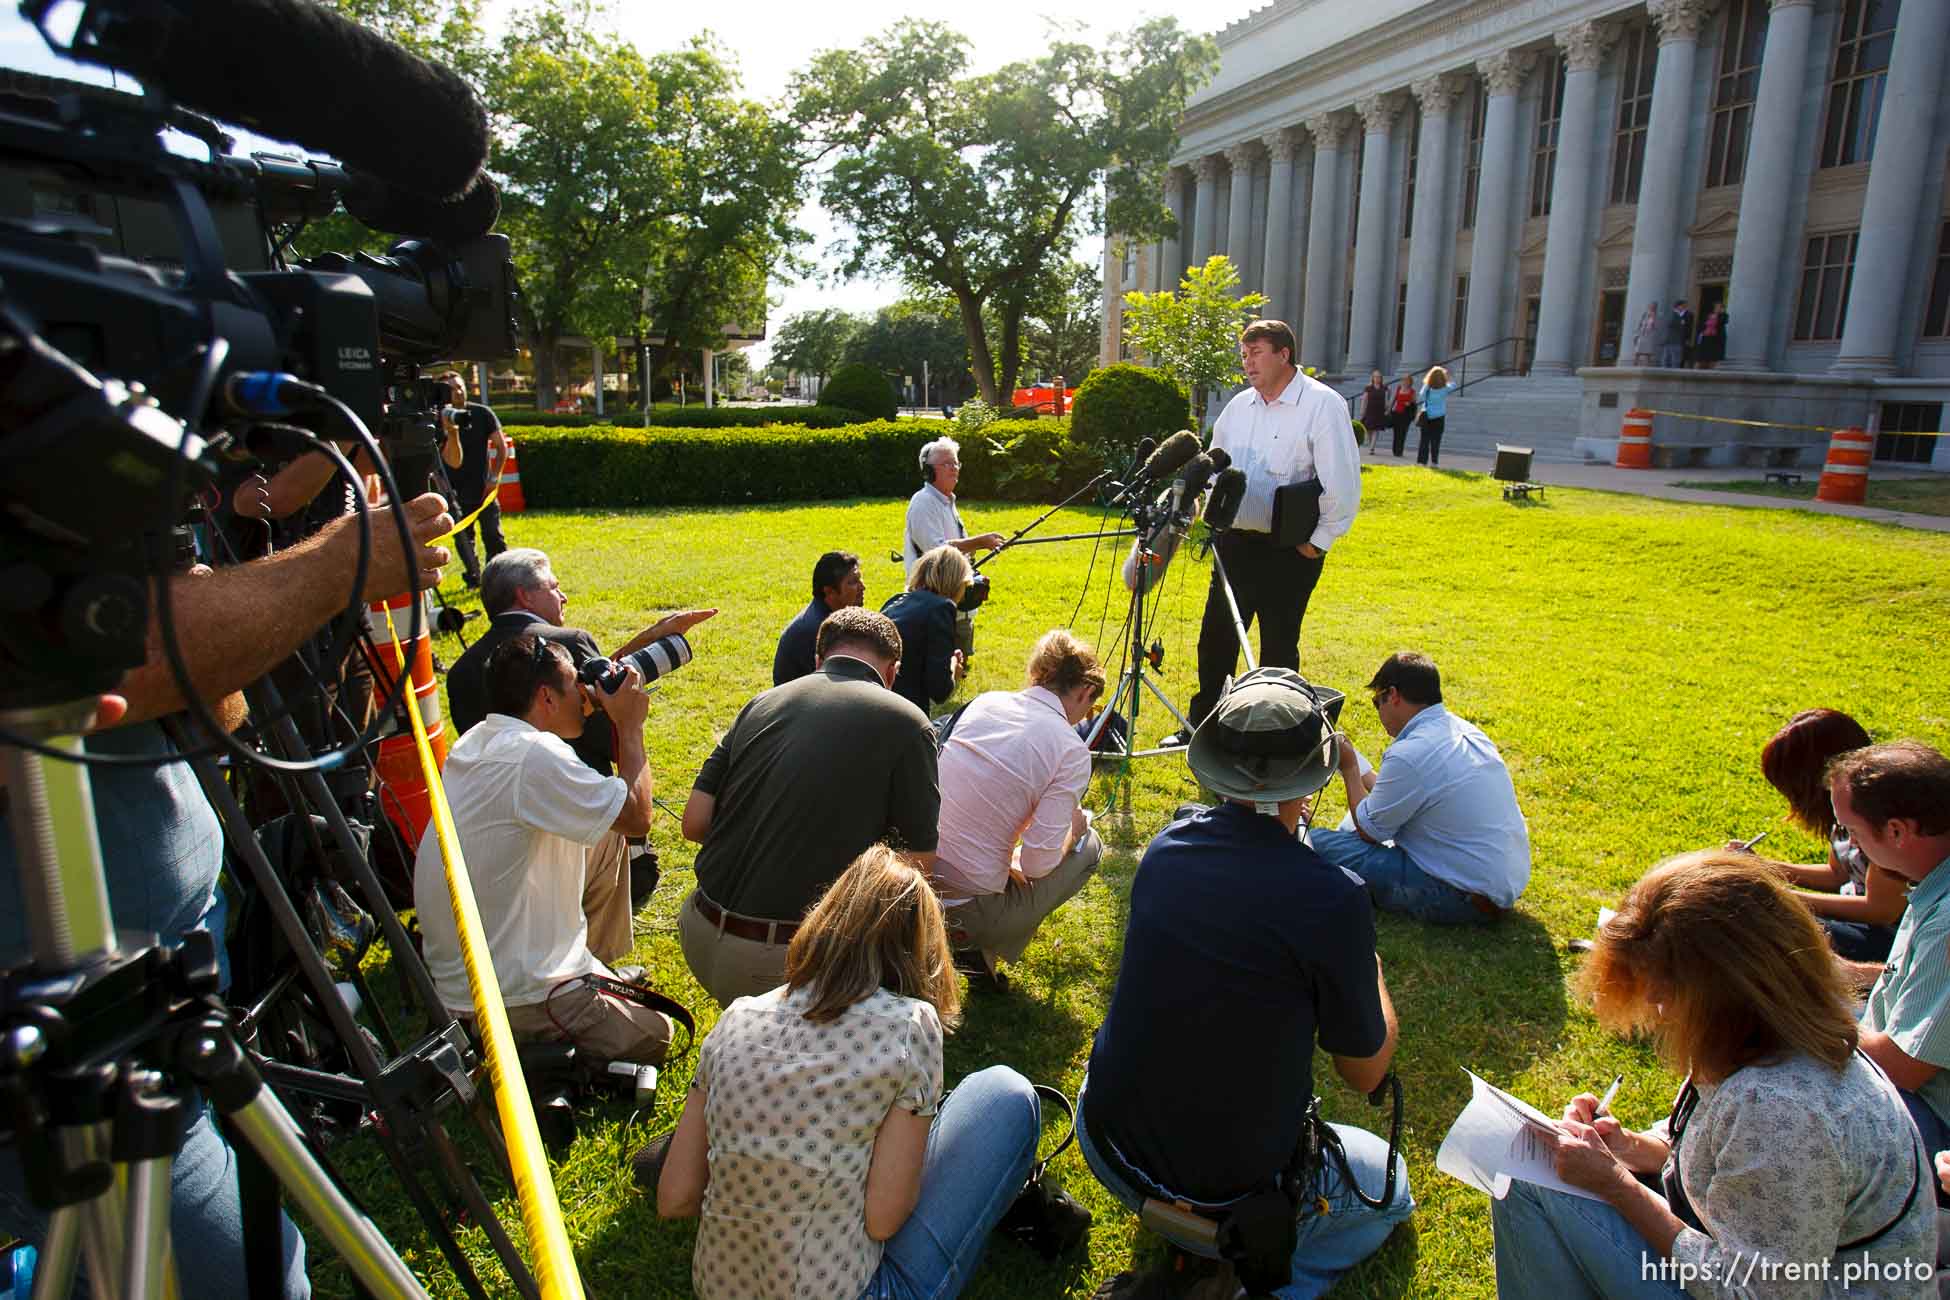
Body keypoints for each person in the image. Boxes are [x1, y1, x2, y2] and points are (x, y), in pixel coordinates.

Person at [0, 489, 456, 1300]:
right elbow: (115, 661)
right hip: (68, 1022)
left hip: (166, 959)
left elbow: (211, 696)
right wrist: (331, 566)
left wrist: (199, 619)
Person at [1081, 667, 1413, 1300]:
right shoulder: (1332, 901)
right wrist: (1367, 967)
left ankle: (1195, 1251)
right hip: (1233, 1186)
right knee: (1392, 1190)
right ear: (1313, 777)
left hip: (1111, 1146)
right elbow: (1365, 1072)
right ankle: (1239, 1283)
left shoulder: (1165, 849)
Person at [1490, 853, 1935, 1300]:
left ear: (1725, 992)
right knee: (1542, 1171)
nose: (1660, 1010)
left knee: (1529, 1179)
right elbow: (1707, 1141)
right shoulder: (1765, 1037)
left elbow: (1756, 1293)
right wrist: (1629, 1147)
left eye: (1666, 994)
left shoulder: (1781, 1109)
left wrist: (1616, 1183)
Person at [654, 845, 1039, 1300]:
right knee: (1005, 1094)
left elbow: (674, 1196)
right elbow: (883, 1218)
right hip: (854, 1290)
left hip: (720, 1290)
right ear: (921, 951)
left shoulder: (736, 1017)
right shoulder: (910, 1026)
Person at [412, 634, 672, 1067]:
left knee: (604, 835)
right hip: (510, 996)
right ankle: (548, 1029)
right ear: (546, 698)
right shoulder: (533, 755)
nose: (584, 698)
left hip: (464, 981)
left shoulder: (482, 739)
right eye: (575, 687)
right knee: (655, 1033)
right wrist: (629, 725)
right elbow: (636, 816)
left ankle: (592, 969)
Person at [678, 607, 941, 1008]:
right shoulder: (908, 722)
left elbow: (694, 823)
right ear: (892, 671)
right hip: (788, 960)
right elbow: (917, 865)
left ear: (819, 660)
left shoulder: (760, 703)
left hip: (697, 930)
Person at [447, 548, 716, 932]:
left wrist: (649, 638)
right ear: (525, 595)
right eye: (554, 587)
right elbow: (608, 735)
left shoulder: (460, 674)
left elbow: (592, 687)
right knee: (630, 858)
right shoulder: (568, 644)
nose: (563, 596)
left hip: (500, 856)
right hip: (585, 826)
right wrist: (628, 724)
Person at [1170, 320, 1362, 746]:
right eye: (1243, 353)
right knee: (1216, 638)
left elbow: (1343, 483)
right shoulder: (1239, 407)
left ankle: (1275, 733)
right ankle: (1202, 728)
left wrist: (1319, 542)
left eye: (1256, 352)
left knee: (1277, 645)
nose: (1247, 361)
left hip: (1290, 549)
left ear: (1283, 354)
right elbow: (1214, 464)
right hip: (1234, 543)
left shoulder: (1321, 405)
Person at [934, 630, 1105, 977]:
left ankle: (978, 947)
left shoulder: (985, 701)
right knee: (1089, 845)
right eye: (1092, 706)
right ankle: (980, 946)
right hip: (961, 909)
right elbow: (1037, 865)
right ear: (1085, 692)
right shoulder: (1070, 750)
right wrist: (1073, 832)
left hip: (912, 882)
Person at [1312, 652, 1530, 924]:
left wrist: (1349, 769)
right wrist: (1359, 763)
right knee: (1350, 823)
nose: (1378, 711)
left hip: (1458, 896)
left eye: (1376, 701)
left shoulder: (1410, 753)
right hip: (1494, 883)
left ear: (1393, 695)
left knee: (1314, 843)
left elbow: (1368, 831)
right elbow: (1395, 797)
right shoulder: (1466, 731)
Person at [1834, 742, 1950, 1157]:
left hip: (1933, 1121)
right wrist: (1842, 973)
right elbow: (1920, 984)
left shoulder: (1947, 921)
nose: (1852, 847)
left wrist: (1796, 1018)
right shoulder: (1935, 883)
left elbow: (1903, 1067)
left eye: (1853, 833)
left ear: (1898, 831)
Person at [1731, 708, 1904, 961]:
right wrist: (1762, 866)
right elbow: (1837, 874)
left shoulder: (1877, 817)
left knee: (1767, 928)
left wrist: (1786, 898)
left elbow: (1881, 910)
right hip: (1859, 923)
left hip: (1891, 940)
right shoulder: (1841, 811)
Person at [440, 369, 510, 587]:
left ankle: (499, 578)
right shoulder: (438, 419)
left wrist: (494, 479)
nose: (458, 392)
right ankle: (474, 578)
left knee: (494, 536)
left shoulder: (482, 413)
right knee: (463, 540)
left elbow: (501, 448)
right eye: (452, 389)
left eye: (460, 386)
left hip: (483, 489)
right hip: (454, 491)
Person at [880, 545, 969, 714]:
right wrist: (954, 665)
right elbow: (940, 690)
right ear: (957, 583)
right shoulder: (941, 608)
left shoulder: (894, 601)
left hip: (878, 699)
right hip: (904, 712)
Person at [903, 435, 1006, 575]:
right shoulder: (923, 502)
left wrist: (980, 545)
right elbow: (936, 551)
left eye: (955, 463)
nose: (953, 468)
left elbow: (955, 546)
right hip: (928, 592)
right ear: (929, 472)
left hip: (951, 589)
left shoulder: (947, 501)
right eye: (946, 464)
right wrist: (979, 542)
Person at [772, 549, 865, 686]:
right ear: (829, 592)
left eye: (860, 579)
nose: (863, 587)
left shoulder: (830, 619)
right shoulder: (816, 631)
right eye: (853, 582)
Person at [1415, 365, 1451, 467]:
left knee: (1424, 440)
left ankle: (1422, 462)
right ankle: (1434, 462)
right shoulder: (1445, 388)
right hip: (1439, 417)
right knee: (1436, 440)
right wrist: (1447, 377)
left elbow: (1420, 396)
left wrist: (1427, 386)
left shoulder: (1428, 387)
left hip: (1427, 415)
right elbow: (1454, 385)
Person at [1387, 371, 1417, 457]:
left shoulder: (1412, 391)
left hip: (1406, 415)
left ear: (1410, 382)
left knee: (1402, 433)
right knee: (1396, 433)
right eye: (1404, 380)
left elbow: (1414, 403)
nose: (1405, 382)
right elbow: (1393, 400)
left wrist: (1409, 403)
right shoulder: (1399, 388)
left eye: (1407, 380)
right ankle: (1395, 450)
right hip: (1397, 413)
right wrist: (1389, 410)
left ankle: (1399, 451)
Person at [1357, 369, 1387, 453]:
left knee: (1376, 429)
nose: (1377, 379)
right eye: (1376, 377)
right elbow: (1364, 399)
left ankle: (1372, 447)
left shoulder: (1384, 387)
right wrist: (1362, 410)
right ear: (1373, 378)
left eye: (1379, 377)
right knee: (1369, 429)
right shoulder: (1368, 388)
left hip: (1379, 411)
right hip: (1369, 410)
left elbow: (1388, 398)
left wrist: (1387, 408)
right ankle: (1371, 444)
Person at [1695, 303, 1728, 370]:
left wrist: (1721, 313)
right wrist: (1703, 331)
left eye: (1720, 307)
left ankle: (1711, 371)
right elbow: (1701, 325)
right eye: (1716, 307)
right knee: (1701, 357)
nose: (1717, 308)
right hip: (1705, 338)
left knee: (1713, 358)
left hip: (1715, 339)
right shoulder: (1708, 315)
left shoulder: (1724, 316)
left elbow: (1723, 321)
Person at [1660, 300, 1691, 369]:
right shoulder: (1675, 315)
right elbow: (1675, 325)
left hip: (1670, 341)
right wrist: (1682, 322)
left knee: (1666, 361)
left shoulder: (1674, 314)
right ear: (1679, 306)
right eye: (1684, 306)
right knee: (1674, 362)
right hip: (1675, 341)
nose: (1685, 308)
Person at [1631, 300, 1660, 366]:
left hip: (1650, 335)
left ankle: (1647, 365)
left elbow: (1657, 326)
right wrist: (1636, 335)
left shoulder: (1657, 316)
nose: (1652, 307)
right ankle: (1634, 364)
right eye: (1651, 306)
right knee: (1637, 351)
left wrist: (1654, 318)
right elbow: (1639, 324)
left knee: (1648, 352)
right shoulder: (1644, 314)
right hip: (1642, 334)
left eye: (1654, 306)